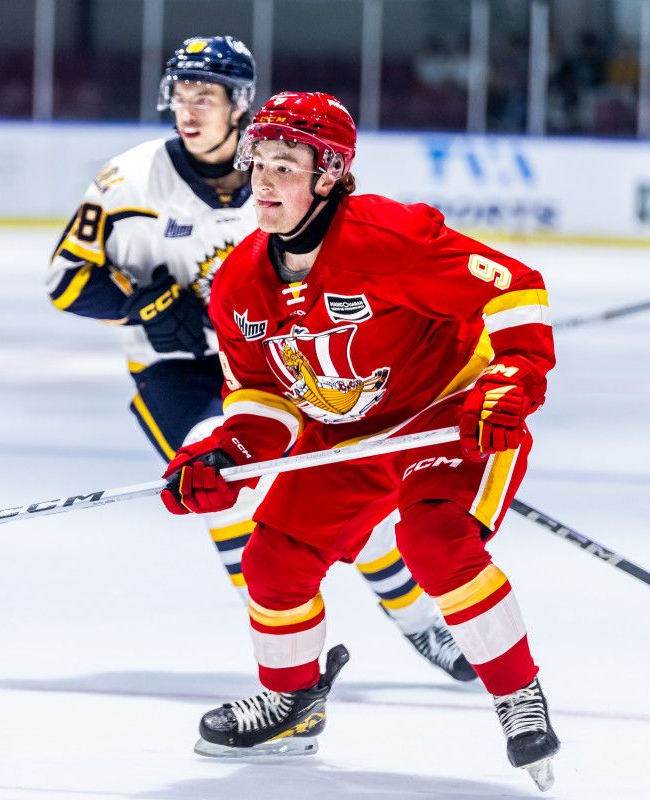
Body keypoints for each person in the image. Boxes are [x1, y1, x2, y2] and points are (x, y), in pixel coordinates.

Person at [160, 91, 560, 791]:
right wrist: (226, 457)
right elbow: (262, 400)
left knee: (434, 541)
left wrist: (513, 376)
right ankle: (292, 704)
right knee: (273, 559)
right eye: (260, 163)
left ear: (329, 175)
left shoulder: (386, 237)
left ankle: (516, 694)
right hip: (349, 436)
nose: (263, 181)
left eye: (285, 166)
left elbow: (513, 288)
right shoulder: (238, 285)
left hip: (446, 409)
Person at [45, 37, 474, 682]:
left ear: (239, 104)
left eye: (206, 97)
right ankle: (287, 645)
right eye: (180, 96)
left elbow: (348, 256)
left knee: (355, 501)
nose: (189, 111)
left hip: (282, 361)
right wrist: (149, 307)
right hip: (179, 370)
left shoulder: (282, 171)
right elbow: (66, 281)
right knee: (226, 495)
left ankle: (419, 624)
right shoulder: (127, 180)